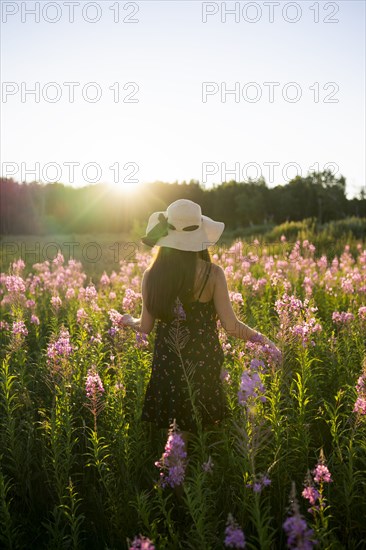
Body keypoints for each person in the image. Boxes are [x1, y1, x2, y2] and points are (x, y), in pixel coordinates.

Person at [120, 199, 281, 448]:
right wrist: (265, 341)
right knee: (196, 430)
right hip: (203, 361)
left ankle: (175, 479)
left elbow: (145, 326)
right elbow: (231, 326)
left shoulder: (152, 275)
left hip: (167, 362)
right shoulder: (212, 274)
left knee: (175, 434)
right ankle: (181, 478)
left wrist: (129, 320)